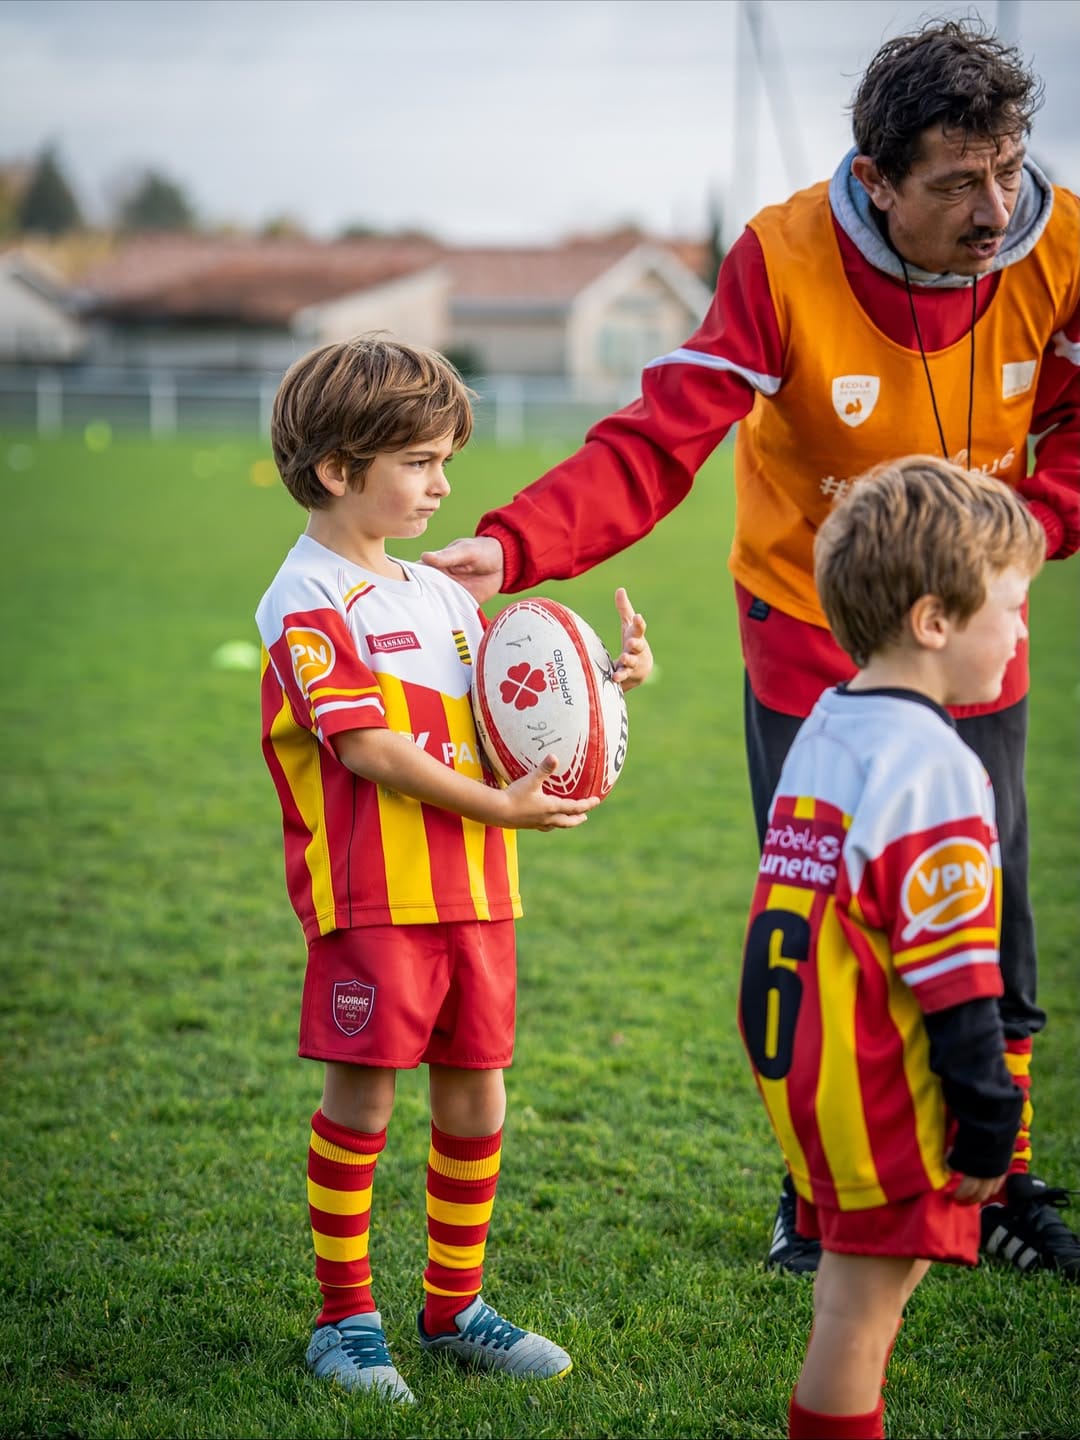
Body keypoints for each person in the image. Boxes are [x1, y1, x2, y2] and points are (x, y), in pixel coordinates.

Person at [422, 17, 1080, 1279]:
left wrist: (1018, 538)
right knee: (825, 922)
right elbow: (659, 442)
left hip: (978, 644)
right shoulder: (783, 256)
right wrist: (511, 549)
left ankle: (996, 1180)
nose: (994, 206)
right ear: (877, 179)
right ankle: (817, 1184)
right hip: (807, 643)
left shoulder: (1063, 252)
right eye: (955, 182)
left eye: (1007, 167)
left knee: (993, 915)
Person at [255, 335, 653, 1403]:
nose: (444, 485)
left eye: (445, 461)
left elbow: (514, 707)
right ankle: (345, 1322)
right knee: (365, 1099)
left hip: (476, 894)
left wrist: (603, 687)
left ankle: (453, 1304)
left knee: (478, 1095)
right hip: (375, 898)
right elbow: (367, 750)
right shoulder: (308, 601)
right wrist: (504, 810)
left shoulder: (441, 597)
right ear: (341, 470)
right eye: (422, 463)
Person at [739, 456, 1040, 1440]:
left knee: (848, 1302)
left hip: (809, 1075)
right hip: (883, 1085)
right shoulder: (936, 769)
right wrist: (991, 1115)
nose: (1024, 632)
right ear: (934, 621)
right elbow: (956, 975)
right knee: (864, 1322)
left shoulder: (827, 725)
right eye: (1012, 606)